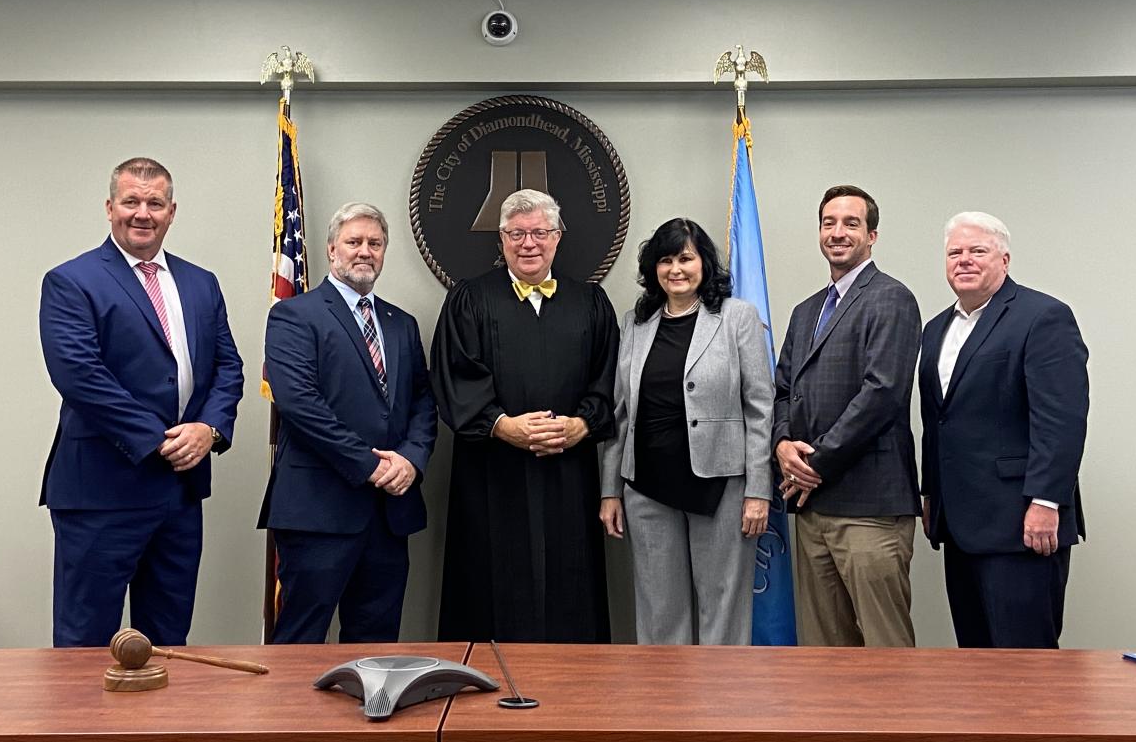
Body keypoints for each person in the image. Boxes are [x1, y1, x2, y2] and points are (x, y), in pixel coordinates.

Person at [39, 157, 244, 647]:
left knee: (169, 644)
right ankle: (83, 729)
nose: (142, 213)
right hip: (101, 494)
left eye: (154, 203)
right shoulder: (71, 281)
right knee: (85, 645)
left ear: (172, 211)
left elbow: (229, 368)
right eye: (131, 201)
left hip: (179, 492)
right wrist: (160, 440)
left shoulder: (201, 282)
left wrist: (208, 431)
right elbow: (81, 377)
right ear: (110, 208)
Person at [431, 188, 619, 643]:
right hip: (492, 473)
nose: (528, 243)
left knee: (567, 579)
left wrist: (581, 425)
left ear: (558, 238)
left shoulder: (590, 302)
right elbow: (453, 375)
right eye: (517, 233)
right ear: (501, 240)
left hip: (567, 473)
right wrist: (502, 425)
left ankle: (573, 692)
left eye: (539, 232)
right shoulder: (469, 300)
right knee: (490, 582)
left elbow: (610, 378)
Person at [259, 203, 436, 643]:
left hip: (389, 513)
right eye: (354, 242)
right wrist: (370, 464)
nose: (364, 252)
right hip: (318, 510)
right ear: (332, 249)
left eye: (374, 243)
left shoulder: (401, 324)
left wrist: (410, 462)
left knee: (375, 643)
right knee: (301, 639)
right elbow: (300, 405)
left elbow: (422, 402)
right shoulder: (295, 315)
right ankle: (294, 717)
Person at [599, 219, 773, 645]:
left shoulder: (737, 318)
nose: (676, 269)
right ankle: (665, 709)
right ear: (653, 268)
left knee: (723, 608)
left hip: (720, 486)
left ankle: (723, 707)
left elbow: (760, 407)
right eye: (665, 260)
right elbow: (621, 411)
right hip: (647, 487)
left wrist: (758, 491)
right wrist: (610, 490)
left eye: (685, 258)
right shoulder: (635, 324)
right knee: (659, 613)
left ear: (704, 264)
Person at [919, 212, 1088, 648]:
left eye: (978, 251)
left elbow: (1061, 420)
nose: (964, 260)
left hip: (1022, 525)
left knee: (1026, 667)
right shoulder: (936, 329)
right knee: (977, 665)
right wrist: (929, 493)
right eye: (955, 252)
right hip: (958, 523)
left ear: (1005, 259)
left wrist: (1046, 501)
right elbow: (938, 421)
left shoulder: (1043, 316)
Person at [774, 184, 921, 647]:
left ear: (872, 235)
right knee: (823, 653)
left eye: (851, 224)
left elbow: (882, 394)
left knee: (884, 649)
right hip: (811, 509)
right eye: (829, 223)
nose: (838, 233)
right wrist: (781, 445)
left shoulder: (891, 298)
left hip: (869, 508)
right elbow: (781, 391)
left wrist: (814, 465)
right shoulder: (805, 312)